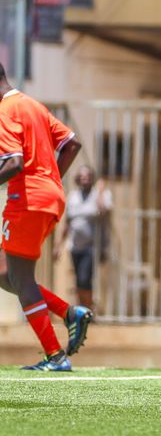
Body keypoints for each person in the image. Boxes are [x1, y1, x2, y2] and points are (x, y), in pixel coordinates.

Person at [0, 63, 93, 371]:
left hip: (25, 199)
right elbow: (72, 144)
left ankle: (56, 356)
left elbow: (13, 163)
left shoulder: (5, 109)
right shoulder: (31, 104)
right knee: (5, 273)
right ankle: (69, 313)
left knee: (21, 279)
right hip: (50, 198)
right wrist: (50, 181)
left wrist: (37, 184)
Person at [54, 165, 112, 310]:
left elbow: (103, 210)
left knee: (84, 278)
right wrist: (58, 245)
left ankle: (87, 309)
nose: (84, 179)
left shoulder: (98, 194)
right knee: (79, 280)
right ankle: (83, 310)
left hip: (91, 246)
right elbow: (66, 223)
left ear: (92, 178)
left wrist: (100, 191)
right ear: (78, 179)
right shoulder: (72, 196)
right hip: (74, 246)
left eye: (87, 177)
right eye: (82, 177)